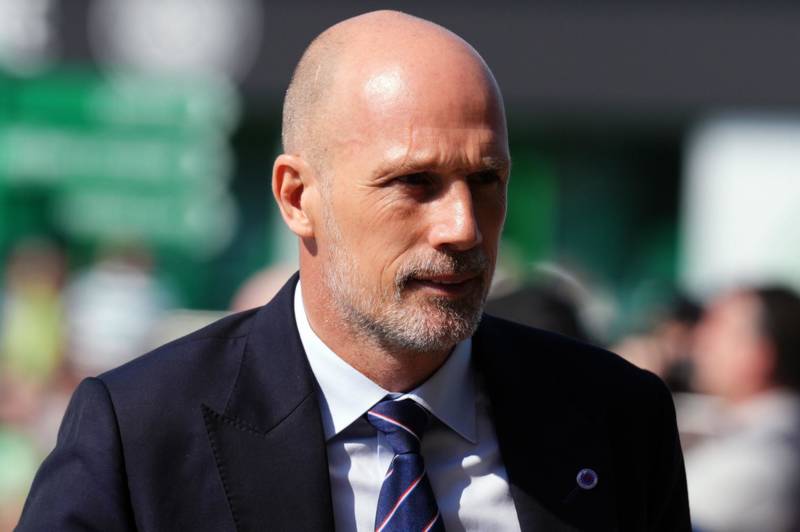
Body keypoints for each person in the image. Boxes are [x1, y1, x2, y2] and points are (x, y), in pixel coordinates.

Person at [17, 10, 690, 531]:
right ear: (297, 198)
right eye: (415, 182)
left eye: (487, 179)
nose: (462, 226)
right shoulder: (141, 433)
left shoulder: (614, 418)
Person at [686, 286, 800, 532]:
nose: (699, 340)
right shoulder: (741, 426)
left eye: (718, 328)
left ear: (762, 354)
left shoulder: (765, 456)